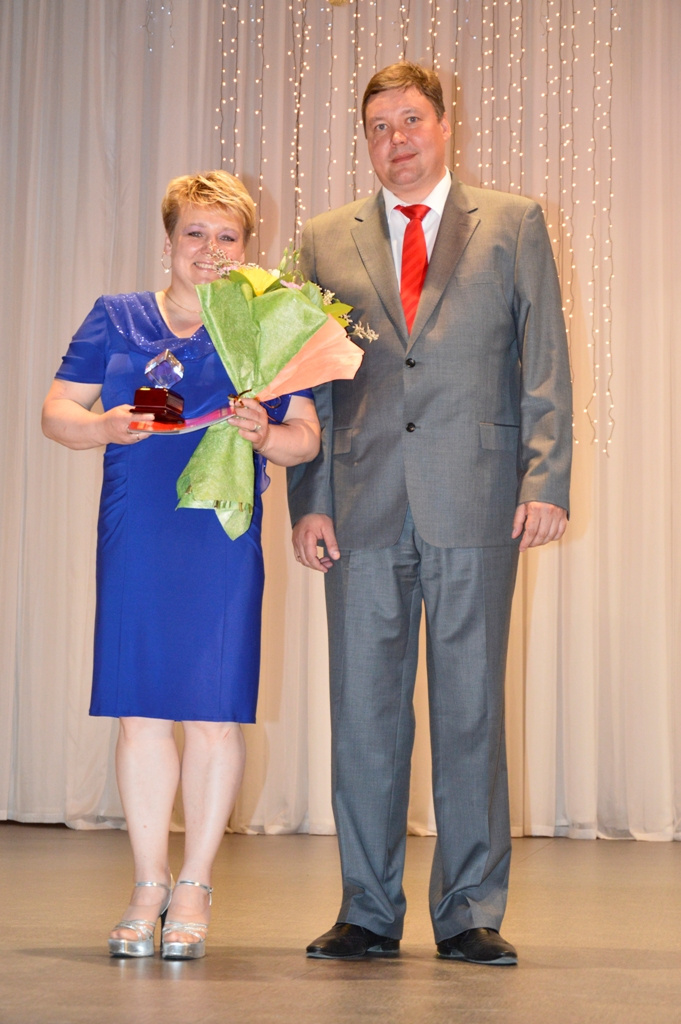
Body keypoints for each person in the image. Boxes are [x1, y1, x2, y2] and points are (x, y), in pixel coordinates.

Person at [287, 62, 572, 966]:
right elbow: (307, 383)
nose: (396, 140)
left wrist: (544, 479)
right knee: (363, 714)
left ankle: (468, 911)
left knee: (470, 709)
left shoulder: (514, 223)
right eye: (378, 126)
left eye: (410, 120)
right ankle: (366, 910)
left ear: (445, 125)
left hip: (477, 496)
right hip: (359, 504)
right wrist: (309, 500)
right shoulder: (322, 239)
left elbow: (543, 363)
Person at [42, 171, 321, 960]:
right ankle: (146, 884)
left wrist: (267, 435)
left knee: (212, 711)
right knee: (140, 711)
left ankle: (194, 884)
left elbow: (304, 438)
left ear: (247, 246)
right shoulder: (116, 316)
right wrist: (102, 426)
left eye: (226, 235)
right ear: (168, 240)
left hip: (220, 531)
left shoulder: (268, 324)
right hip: (138, 526)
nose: (209, 249)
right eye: (194, 232)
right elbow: (56, 411)